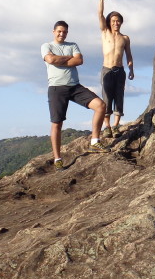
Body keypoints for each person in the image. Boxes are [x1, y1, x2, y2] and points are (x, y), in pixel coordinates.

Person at [42, 20, 107, 168]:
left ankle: (95, 142)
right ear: (54, 32)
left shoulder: (72, 45)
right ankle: (58, 159)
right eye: (59, 31)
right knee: (57, 124)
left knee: (100, 106)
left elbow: (79, 60)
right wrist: (68, 59)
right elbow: (50, 59)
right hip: (56, 88)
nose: (61, 34)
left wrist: (60, 60)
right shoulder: (46, 46)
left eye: (64, 32)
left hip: (75, 86)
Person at [97, 0, 134, 137]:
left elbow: (129, 55)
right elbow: (100, 15)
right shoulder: (105, 32)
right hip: (107, 69)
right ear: (109, 23)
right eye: (113, 21)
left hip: (120, 71)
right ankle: (107, 126)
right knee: (106, 97)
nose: (115, 23)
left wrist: (131, 69)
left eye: (118, 21)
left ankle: (116, 125)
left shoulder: (125, 38)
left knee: (119, 97)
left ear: (121, 22)